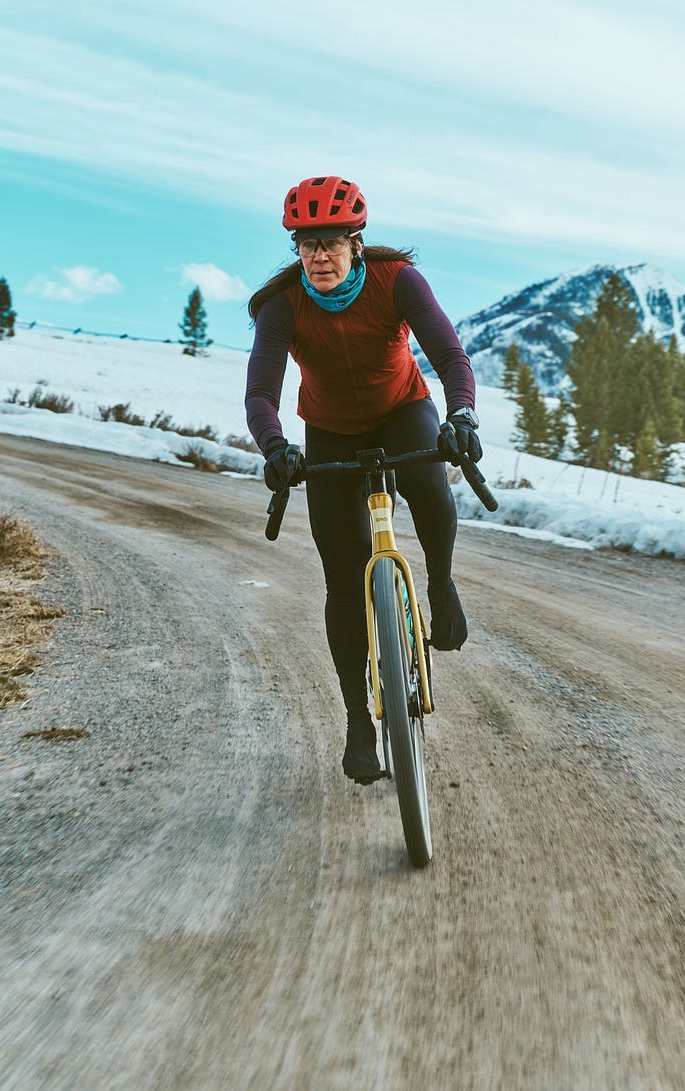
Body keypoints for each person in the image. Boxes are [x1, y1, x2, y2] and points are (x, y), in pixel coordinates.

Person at [244, 175, 483, 786]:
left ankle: (443, 585)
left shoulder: (396, 279)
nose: (318, 256)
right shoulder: (280, 305)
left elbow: (452, 357)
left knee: (429, 483)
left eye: (330, 242)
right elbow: (261, 393)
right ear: (296, 247)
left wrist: (460, 415)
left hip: (403, 409)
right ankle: (358, 720)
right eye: (306, 243)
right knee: (343, 583)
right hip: (329, 430)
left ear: (356, 241)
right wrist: (275, 446)